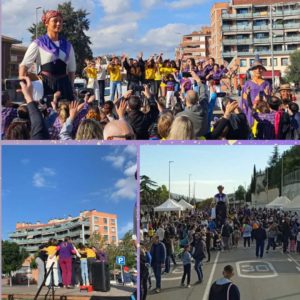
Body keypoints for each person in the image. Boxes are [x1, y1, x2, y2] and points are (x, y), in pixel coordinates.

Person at [19, 10, 76, 100]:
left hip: (64, 86)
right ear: (46, 23)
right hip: (46, 85)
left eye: (60, 21)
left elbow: (71, 71)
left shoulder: (68, 45)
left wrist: (72, 88)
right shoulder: (38, 43)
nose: (58, 24)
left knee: (67, 112)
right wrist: (22, 86)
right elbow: (24, 65)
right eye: (55, 21)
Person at [239, 60, 272, 128]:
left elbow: (270, 99)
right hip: (251, 111)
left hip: (264, 111)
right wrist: (244, 113)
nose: (258, 70)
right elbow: (244, 100)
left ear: (262, 70)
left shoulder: (267, 83)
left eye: (260, 68)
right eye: (256, 68)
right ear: (253, 70)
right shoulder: (247, 84)